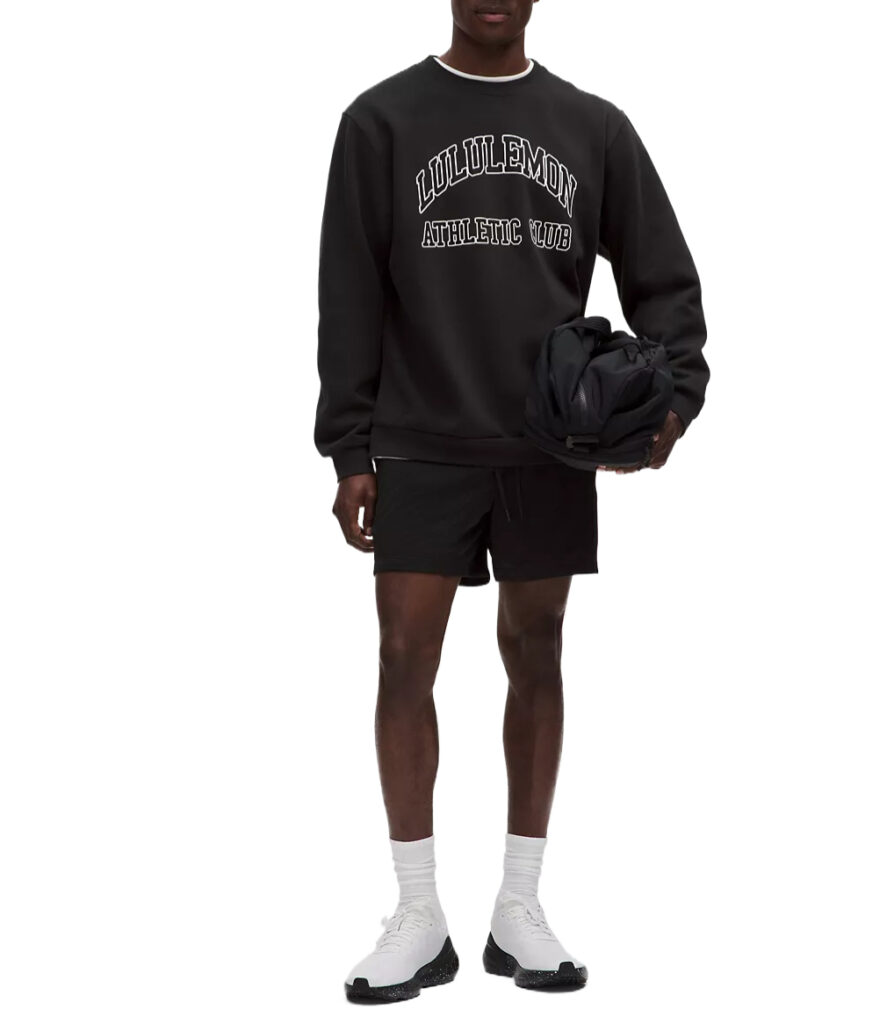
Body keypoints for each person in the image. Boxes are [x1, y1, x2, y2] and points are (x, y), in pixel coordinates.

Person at [315, 0, 709, 1002]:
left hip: (549, 442)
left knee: (537, 653)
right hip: (418, 434)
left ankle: (518, 907)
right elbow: (348, 292)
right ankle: (417, 914)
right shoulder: (380, 121)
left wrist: (671, 399)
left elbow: (665, 280)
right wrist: (349, 445)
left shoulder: (592, 127)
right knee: (404, 656)